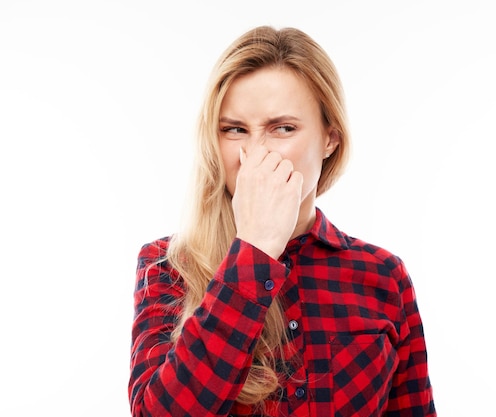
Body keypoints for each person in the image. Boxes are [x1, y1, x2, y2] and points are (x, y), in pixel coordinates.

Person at [128, 25, 436, 417]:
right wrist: (254, 249)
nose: (254, 154)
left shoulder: (383, 276)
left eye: (283, 128)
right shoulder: (169, 266)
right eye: (234, 130)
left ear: (330, 139)